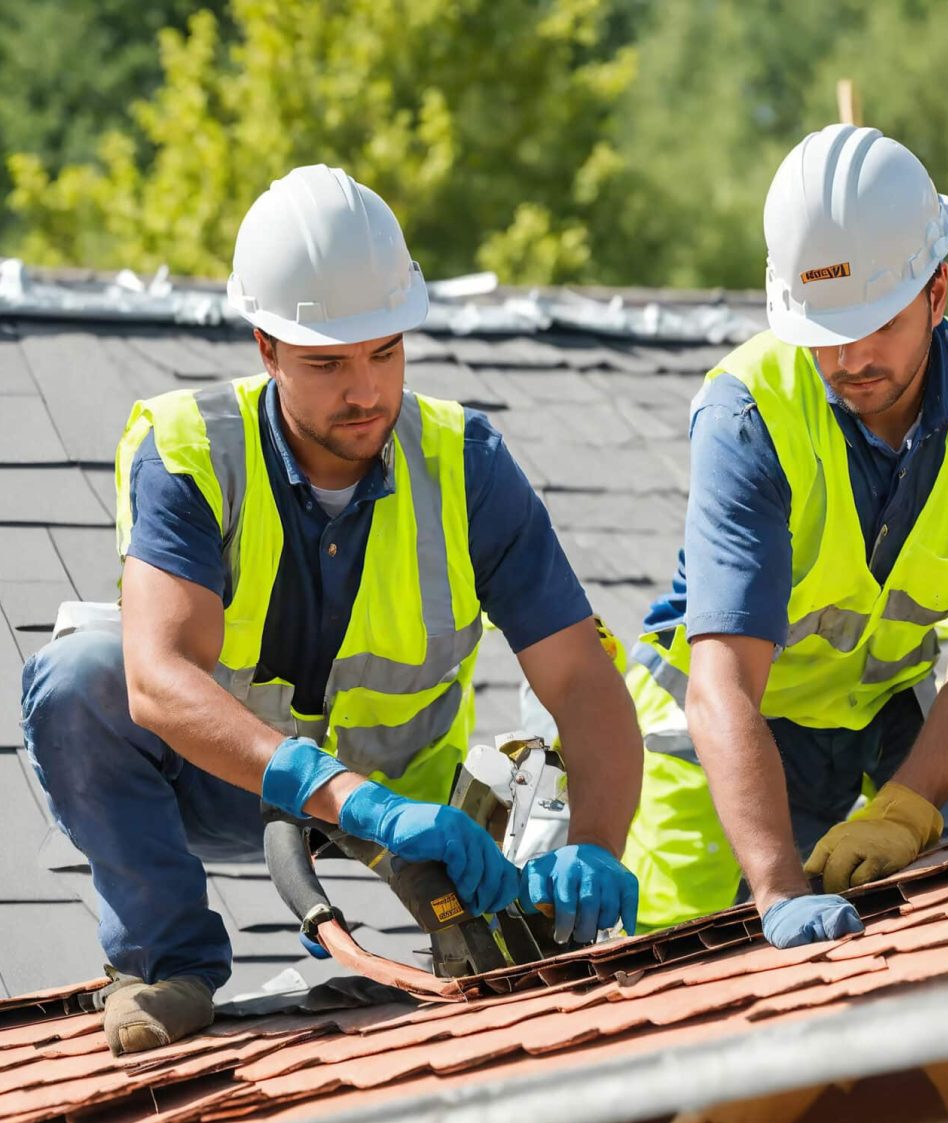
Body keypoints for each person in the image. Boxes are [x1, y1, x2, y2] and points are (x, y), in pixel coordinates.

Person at [21, 165, 642, 1055]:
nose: (366, 391)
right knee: (80, 678)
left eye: (385, 352)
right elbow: (157, 682)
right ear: (266, 348)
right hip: (229, 781)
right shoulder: (189, 449)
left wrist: (598, 843)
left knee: (526, 981)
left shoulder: (466, 464)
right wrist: (351, 802)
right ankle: (165, 965)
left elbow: (581, 679)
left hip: (420, 812)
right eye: (327, 362)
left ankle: (488, 950)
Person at [621, 124, 948, 949]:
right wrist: (779, 889)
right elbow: (723, 684)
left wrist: (906, 808)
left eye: (879, 322)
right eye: (825, 329)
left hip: (882, 717)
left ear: (938, 291)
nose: (852, 357)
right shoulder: (747, 412)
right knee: (676, 973)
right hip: (719, 736)